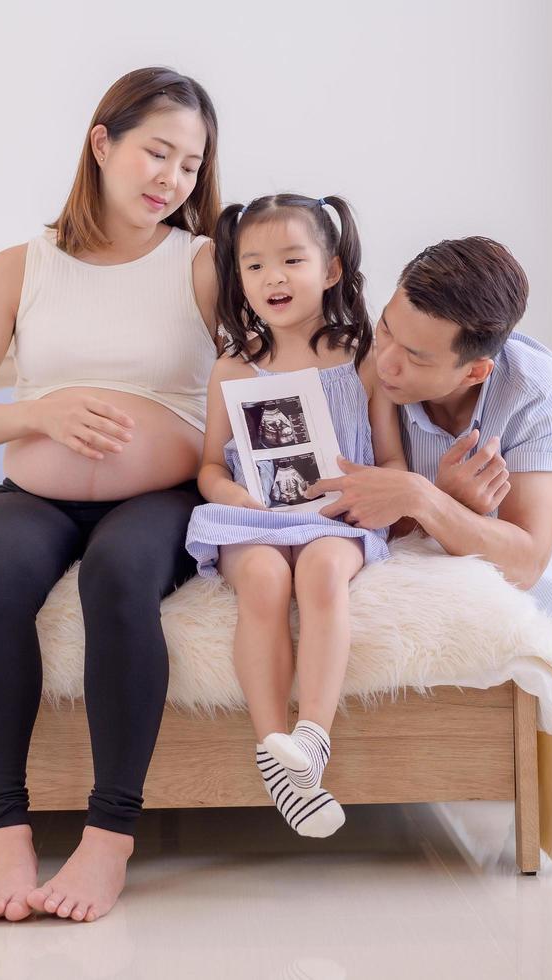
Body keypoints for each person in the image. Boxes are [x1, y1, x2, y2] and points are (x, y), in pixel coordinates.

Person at [0, 67, 222, 923]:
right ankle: (5, 840)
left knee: (118, 576)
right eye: (155, 152)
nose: (171, 178)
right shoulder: (20, 268)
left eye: (191, 164)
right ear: (102, 144)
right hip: (35, 491)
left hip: (159, 497)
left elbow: (254, 384)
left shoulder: (202, 265)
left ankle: (107, 841)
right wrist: (42, 412)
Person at [307, 237, 552, 807]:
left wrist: (425, 498)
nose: (386, 359)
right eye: (388, 328)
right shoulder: (372, 369)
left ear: (475, 370)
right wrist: (441, 500)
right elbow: (370, 520)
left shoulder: (540, 391)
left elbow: (528, 560)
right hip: (486, 567)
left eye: (417, 356)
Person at [185, 193, 407, 838]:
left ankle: (311, 736)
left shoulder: (360, 357)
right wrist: (234, 498)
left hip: (337, 516)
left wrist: (360, 492)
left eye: (291, 260)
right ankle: (273, 749)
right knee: (262, 581)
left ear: (331, 270)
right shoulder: (232, 365)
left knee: (319, 574)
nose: (272, 278)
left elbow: (391, 460)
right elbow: (208, 467)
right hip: (254, 516)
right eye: (253, 267)